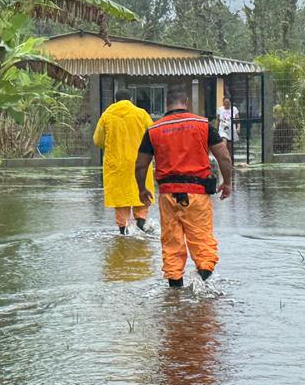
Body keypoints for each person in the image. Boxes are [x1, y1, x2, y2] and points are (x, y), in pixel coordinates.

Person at [134, 88, 233, 288]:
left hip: (168, 196)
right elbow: (223, 156)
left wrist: (142, 189)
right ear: (186, 102)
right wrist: (228, 182)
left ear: (166, 104)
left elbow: (140, 165)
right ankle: (200, 285)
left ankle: (175, 294)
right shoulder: (203, 124)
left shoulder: (154, 130)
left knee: (172, 245)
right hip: (197, 195)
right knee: (203, 244)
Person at [93, 88, 155, 234]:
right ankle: (141, 221)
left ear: (115, 101)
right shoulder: (141, 114)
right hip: (140, 162)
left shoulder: (107, 116)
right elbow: (154, 134)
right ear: (131, 100)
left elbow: (97, 140)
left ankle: (123, 230)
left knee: (121, 199)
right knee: (140, 193)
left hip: (117, 164)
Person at [217, 95, 239, 161]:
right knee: (224, 143)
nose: (226, 103)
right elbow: (218, 120)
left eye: (228, 102)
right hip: (222, 129)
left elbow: (238, 120)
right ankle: (224, 158)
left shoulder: (234, 109)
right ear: (223, 103)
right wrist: (217, 129)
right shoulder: (220, 109)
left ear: (230, 102)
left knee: (230, 147)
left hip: (231, 129)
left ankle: (230, 160)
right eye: (225, 102)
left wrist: (238, 127)